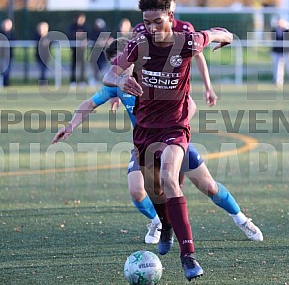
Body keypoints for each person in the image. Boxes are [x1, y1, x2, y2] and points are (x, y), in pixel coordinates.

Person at [51, 37, 263, 250]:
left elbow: (191, 105)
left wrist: (175, 131)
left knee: (209, 187)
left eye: (122, 63)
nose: (121, 71)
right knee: (137, 190)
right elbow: (89, 104)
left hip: (174, 141)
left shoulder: (156, 76)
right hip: (145, 146)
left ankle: (242, 219)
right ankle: (157, 222)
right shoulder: (119, 86)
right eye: (116, 66)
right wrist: (70, 126)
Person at [102, 0, 234, 281]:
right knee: (155, 191)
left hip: (175, 127)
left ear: (170, 18)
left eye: (157, 21)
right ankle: (166, 225)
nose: (151, 27)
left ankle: (188, 257)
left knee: (169, 179)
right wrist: (122, 79)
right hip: (145, 131)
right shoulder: (138, 44)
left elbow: (220, 33)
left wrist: (225, 39)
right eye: (146, 22)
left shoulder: (187, 41)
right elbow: (109, 75)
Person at [133, 0, 217, 108]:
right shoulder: (142, 30)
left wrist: (208, 87)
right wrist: (120, 86)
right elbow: (129, 61)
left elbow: (199, 56)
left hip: (175, 86)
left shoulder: (185, 29)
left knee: (188, 109)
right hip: (148, 88)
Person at [271, 17, 289, 86]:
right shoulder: (274, 30)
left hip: (287, 51)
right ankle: (278, 81)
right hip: (278, 52)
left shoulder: (288, 30)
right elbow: (273, 40)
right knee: (277, 67)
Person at [88, 18, 113, 86]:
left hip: (102, 53)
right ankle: (93, 79)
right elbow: (94, 40)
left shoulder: (104, 32)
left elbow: (109, 39)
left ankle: (98, 79)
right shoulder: (93, 33)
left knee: (101, 67)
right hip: (95, 53)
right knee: (95, 67)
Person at [68, 13, 88, 86]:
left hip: (82, 50)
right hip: (74, 49)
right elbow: (70, 35)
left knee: (82, 65)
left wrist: (85, 40)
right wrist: (76, 35)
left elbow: (88, 36)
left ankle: (82, 81)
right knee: (74, 65)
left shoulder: (85, 27)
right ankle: (72, 81)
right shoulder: (72, 27)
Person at [0, 18, 15, 87]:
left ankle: (6, 83)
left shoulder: (12, 34)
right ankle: (3, 83)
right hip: (2, 55)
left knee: (8, 70)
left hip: (10, 55)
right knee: (3, 70)